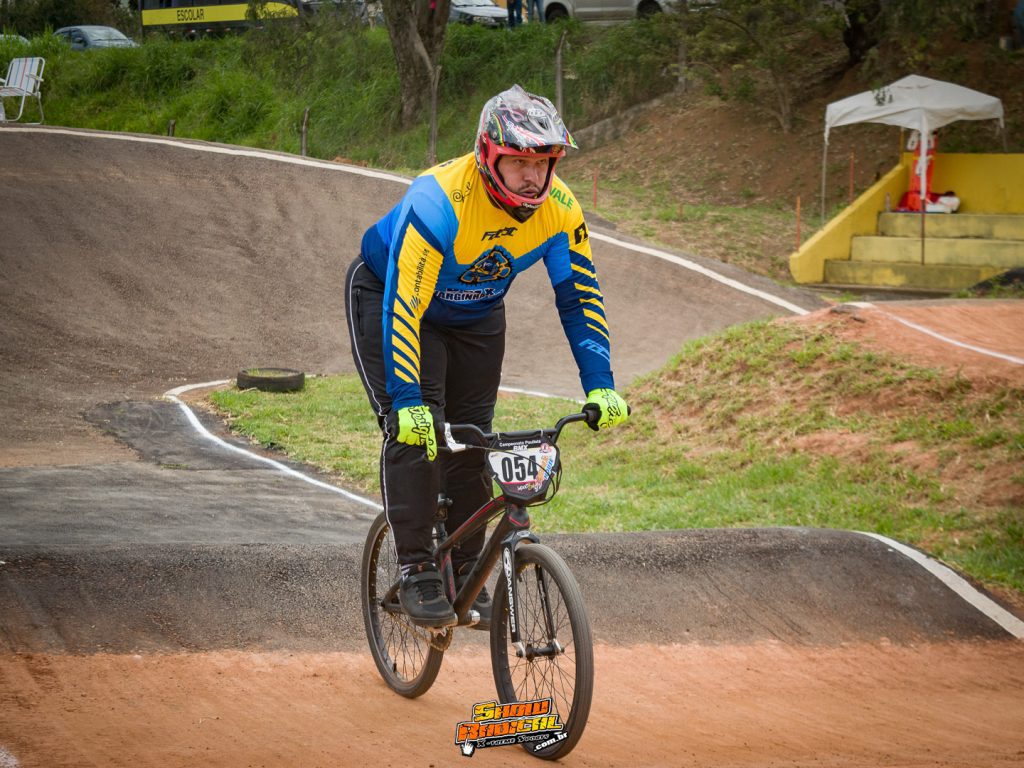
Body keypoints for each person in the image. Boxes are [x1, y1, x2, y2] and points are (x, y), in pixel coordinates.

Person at [344, 85, 629, 629]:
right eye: (518, 161)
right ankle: (418, 570)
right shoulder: (439, 200)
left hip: (476, 316)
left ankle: (468, 569)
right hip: (394, 296)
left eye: (542, 162)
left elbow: (580, 299)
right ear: (487, 155)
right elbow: (405, 304)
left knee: (472, 440)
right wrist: (406, 400)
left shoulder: (562, 211)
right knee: (418, 430)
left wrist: (601, 384)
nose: (532, 176)